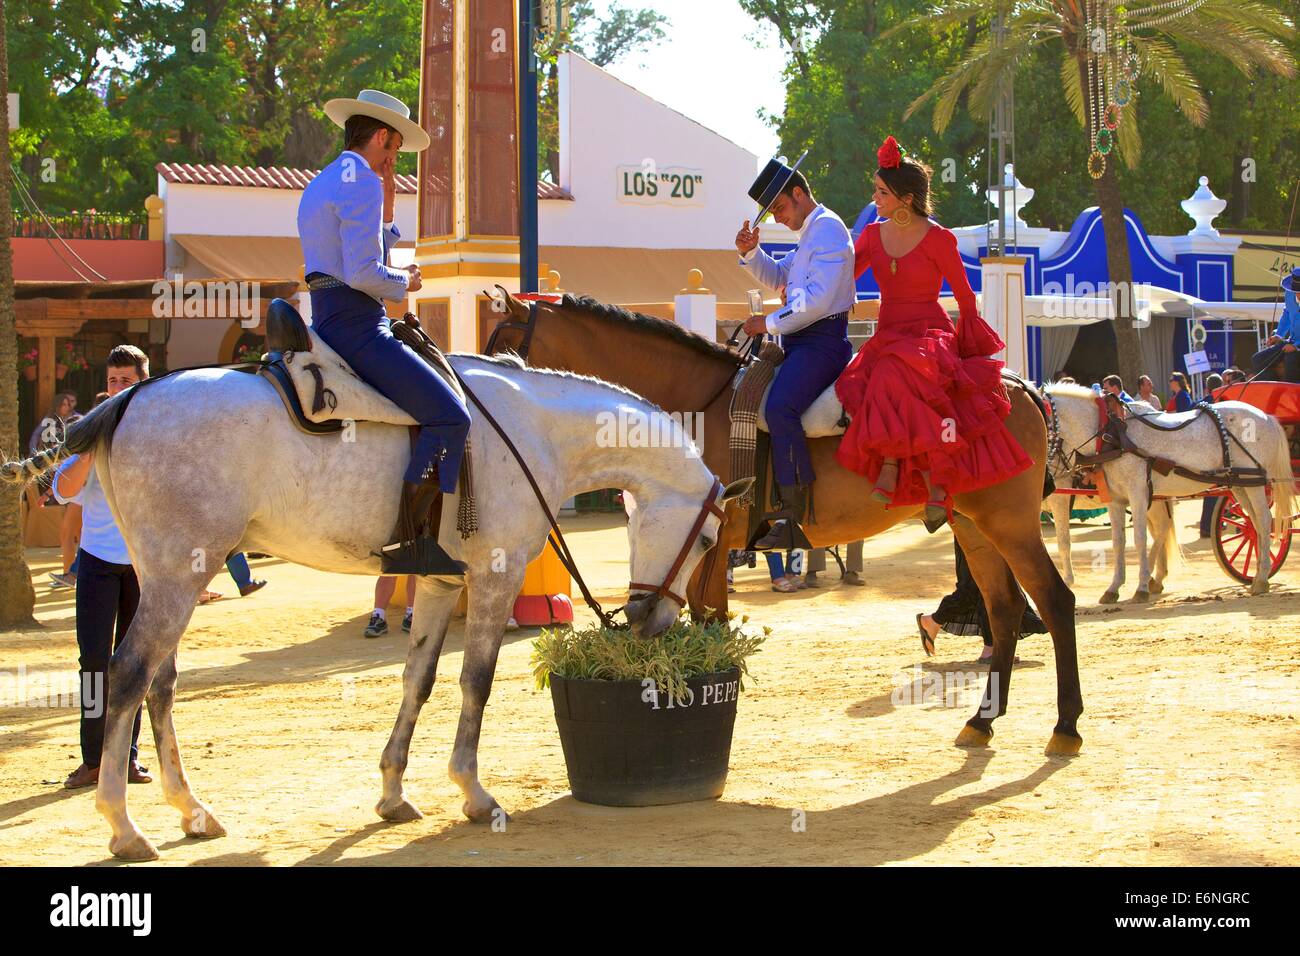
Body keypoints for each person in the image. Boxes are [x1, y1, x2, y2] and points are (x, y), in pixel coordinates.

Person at [298, 89, 470, 577]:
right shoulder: (363, 184)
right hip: (358, 321)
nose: (394, 160)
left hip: (329, 315)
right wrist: (406, 282)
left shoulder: (327, 179)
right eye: (393, 149)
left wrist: (390, 203)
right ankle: (410, 538)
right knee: (452, 415)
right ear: (379, 136)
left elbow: (355, 249)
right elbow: (363, 274)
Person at [835, 135, 1033, 532]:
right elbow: (843, 279)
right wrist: (799, 286)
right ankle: (920, 479)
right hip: (890, 334)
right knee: (878, 374)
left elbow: (964, 295)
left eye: (881, 191)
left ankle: (909, 473)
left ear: (905, 198)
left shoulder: (940, 238)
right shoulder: (873, 235)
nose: (875, 198)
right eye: (876, 190)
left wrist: (965, 351)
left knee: (897, 372)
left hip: (929, 334)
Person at [734, 155, 856, 551]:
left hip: (822, 343)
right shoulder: (811, 234)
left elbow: (817, 301)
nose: (779, 218)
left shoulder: (828, 230)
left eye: (781, 208)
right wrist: (752, 254)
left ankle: (793, 512)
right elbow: (780, 278)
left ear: (800, 194)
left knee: (779, 408)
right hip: (802, 342)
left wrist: (767, 324)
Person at [51, 346, 153, 790]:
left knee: (134, 665)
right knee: (93, 664)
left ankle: (126, 758)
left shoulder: (158, 436)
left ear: (143, 384)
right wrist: (93, 449)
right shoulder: (91, 435)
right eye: (112, 381)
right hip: (95, 564)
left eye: (125, 381)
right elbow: (60, 489)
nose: (117, 389)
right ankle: (93, 759)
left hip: (143, 566)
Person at [916, 539, 1047, 663]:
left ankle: (991, 647)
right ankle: (934, 620)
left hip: (983, 525)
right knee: (978, 586)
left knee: (991, 584)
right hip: (972, 526)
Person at [1252, 267, 1300, 382]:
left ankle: (1292, 395)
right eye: (1296, 291)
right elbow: (1287, 313)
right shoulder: (1289, 293)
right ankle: (1273, 390)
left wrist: (1296, 346)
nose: (1297, 294)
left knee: (1291, 359)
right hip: (1291, 341)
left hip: (1296, 345)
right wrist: (1278, 335)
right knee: (1258, 359)